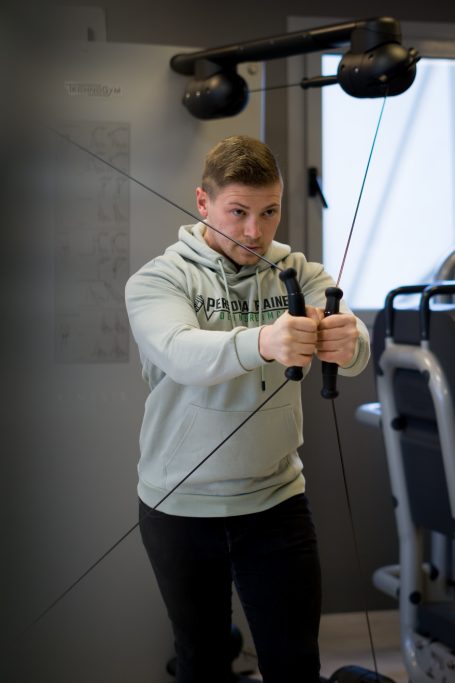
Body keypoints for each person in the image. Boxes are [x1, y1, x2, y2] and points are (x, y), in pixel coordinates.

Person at [125, 135, 370, 683]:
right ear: (203, 202)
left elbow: (355, 349)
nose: (255, 231)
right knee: (204, 662)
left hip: (276, 500)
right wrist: (263, 342)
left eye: (269, 211)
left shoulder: (301, 271)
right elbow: (180, 352)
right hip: (179, 504)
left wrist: (346, 343)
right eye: (238, 212)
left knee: (295, 665)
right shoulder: (157, 280)